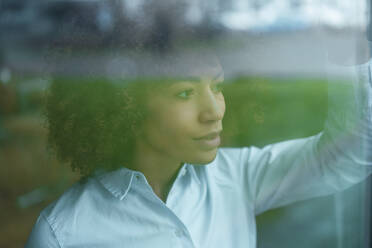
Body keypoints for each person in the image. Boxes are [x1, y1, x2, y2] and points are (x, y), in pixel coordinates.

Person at [24, 44, 372, 247]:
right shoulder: (62, 234)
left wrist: (346, 51)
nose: (215, 110)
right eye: (185, 93)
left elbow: (346, 156)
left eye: (217, 87)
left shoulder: (235, 177)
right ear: (124, 107)